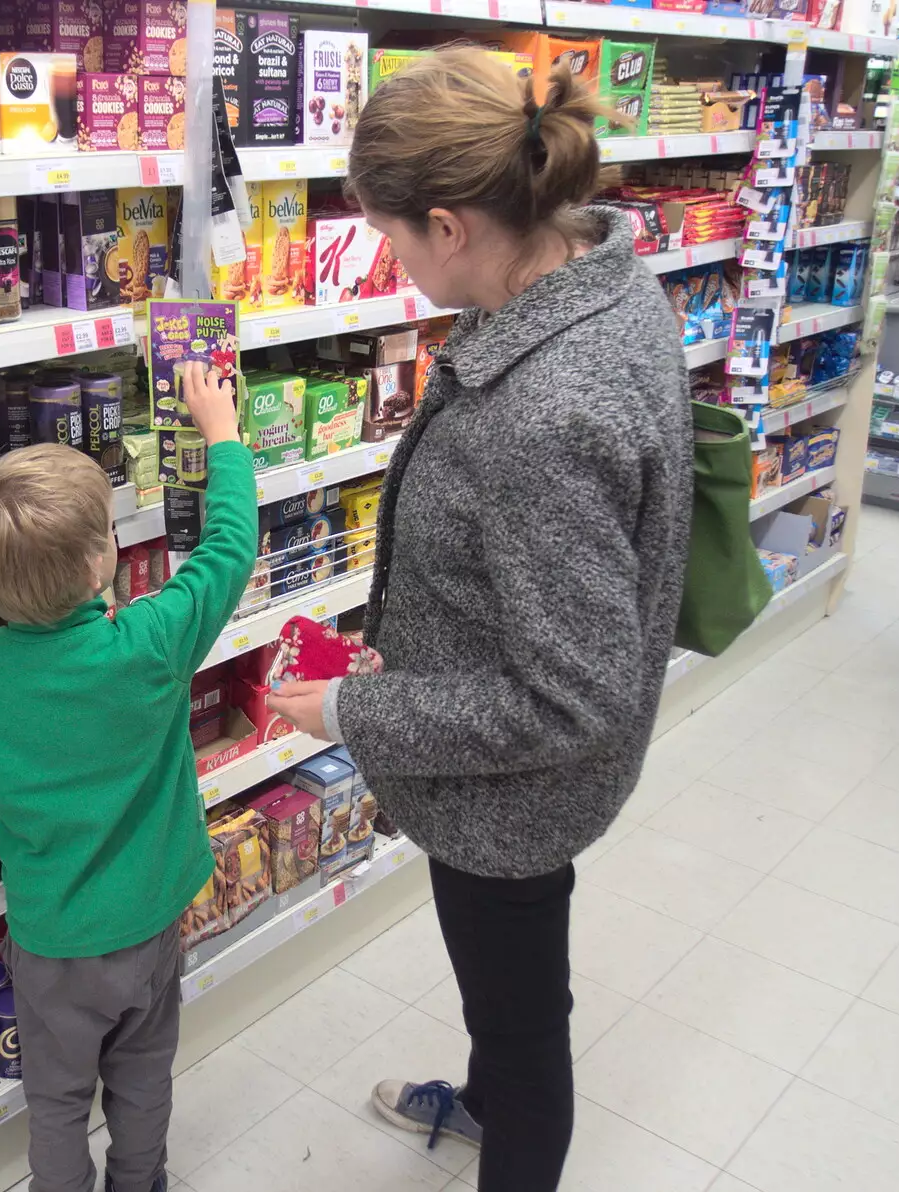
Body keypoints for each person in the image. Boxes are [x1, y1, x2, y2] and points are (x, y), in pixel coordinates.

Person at [267, 49, 693, 1192]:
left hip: (515, 793)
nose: (394, 264)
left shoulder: (545, 409)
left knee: (518, 1009)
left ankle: (511, 1135)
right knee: (505, 983)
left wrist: (358, 707)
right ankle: (491, 1098)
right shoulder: (599, 272)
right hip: (514, 762)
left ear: (448, 225)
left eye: (393, 239)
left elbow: (569, 696)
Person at [0, 362, 256, 1192]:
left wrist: (2, 778)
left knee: (58, 1094)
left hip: (52, 940)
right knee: (144, 1079)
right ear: (100, 563)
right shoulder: (148, 642)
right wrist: (223, 433)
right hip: (149, 923)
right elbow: (229, 549)